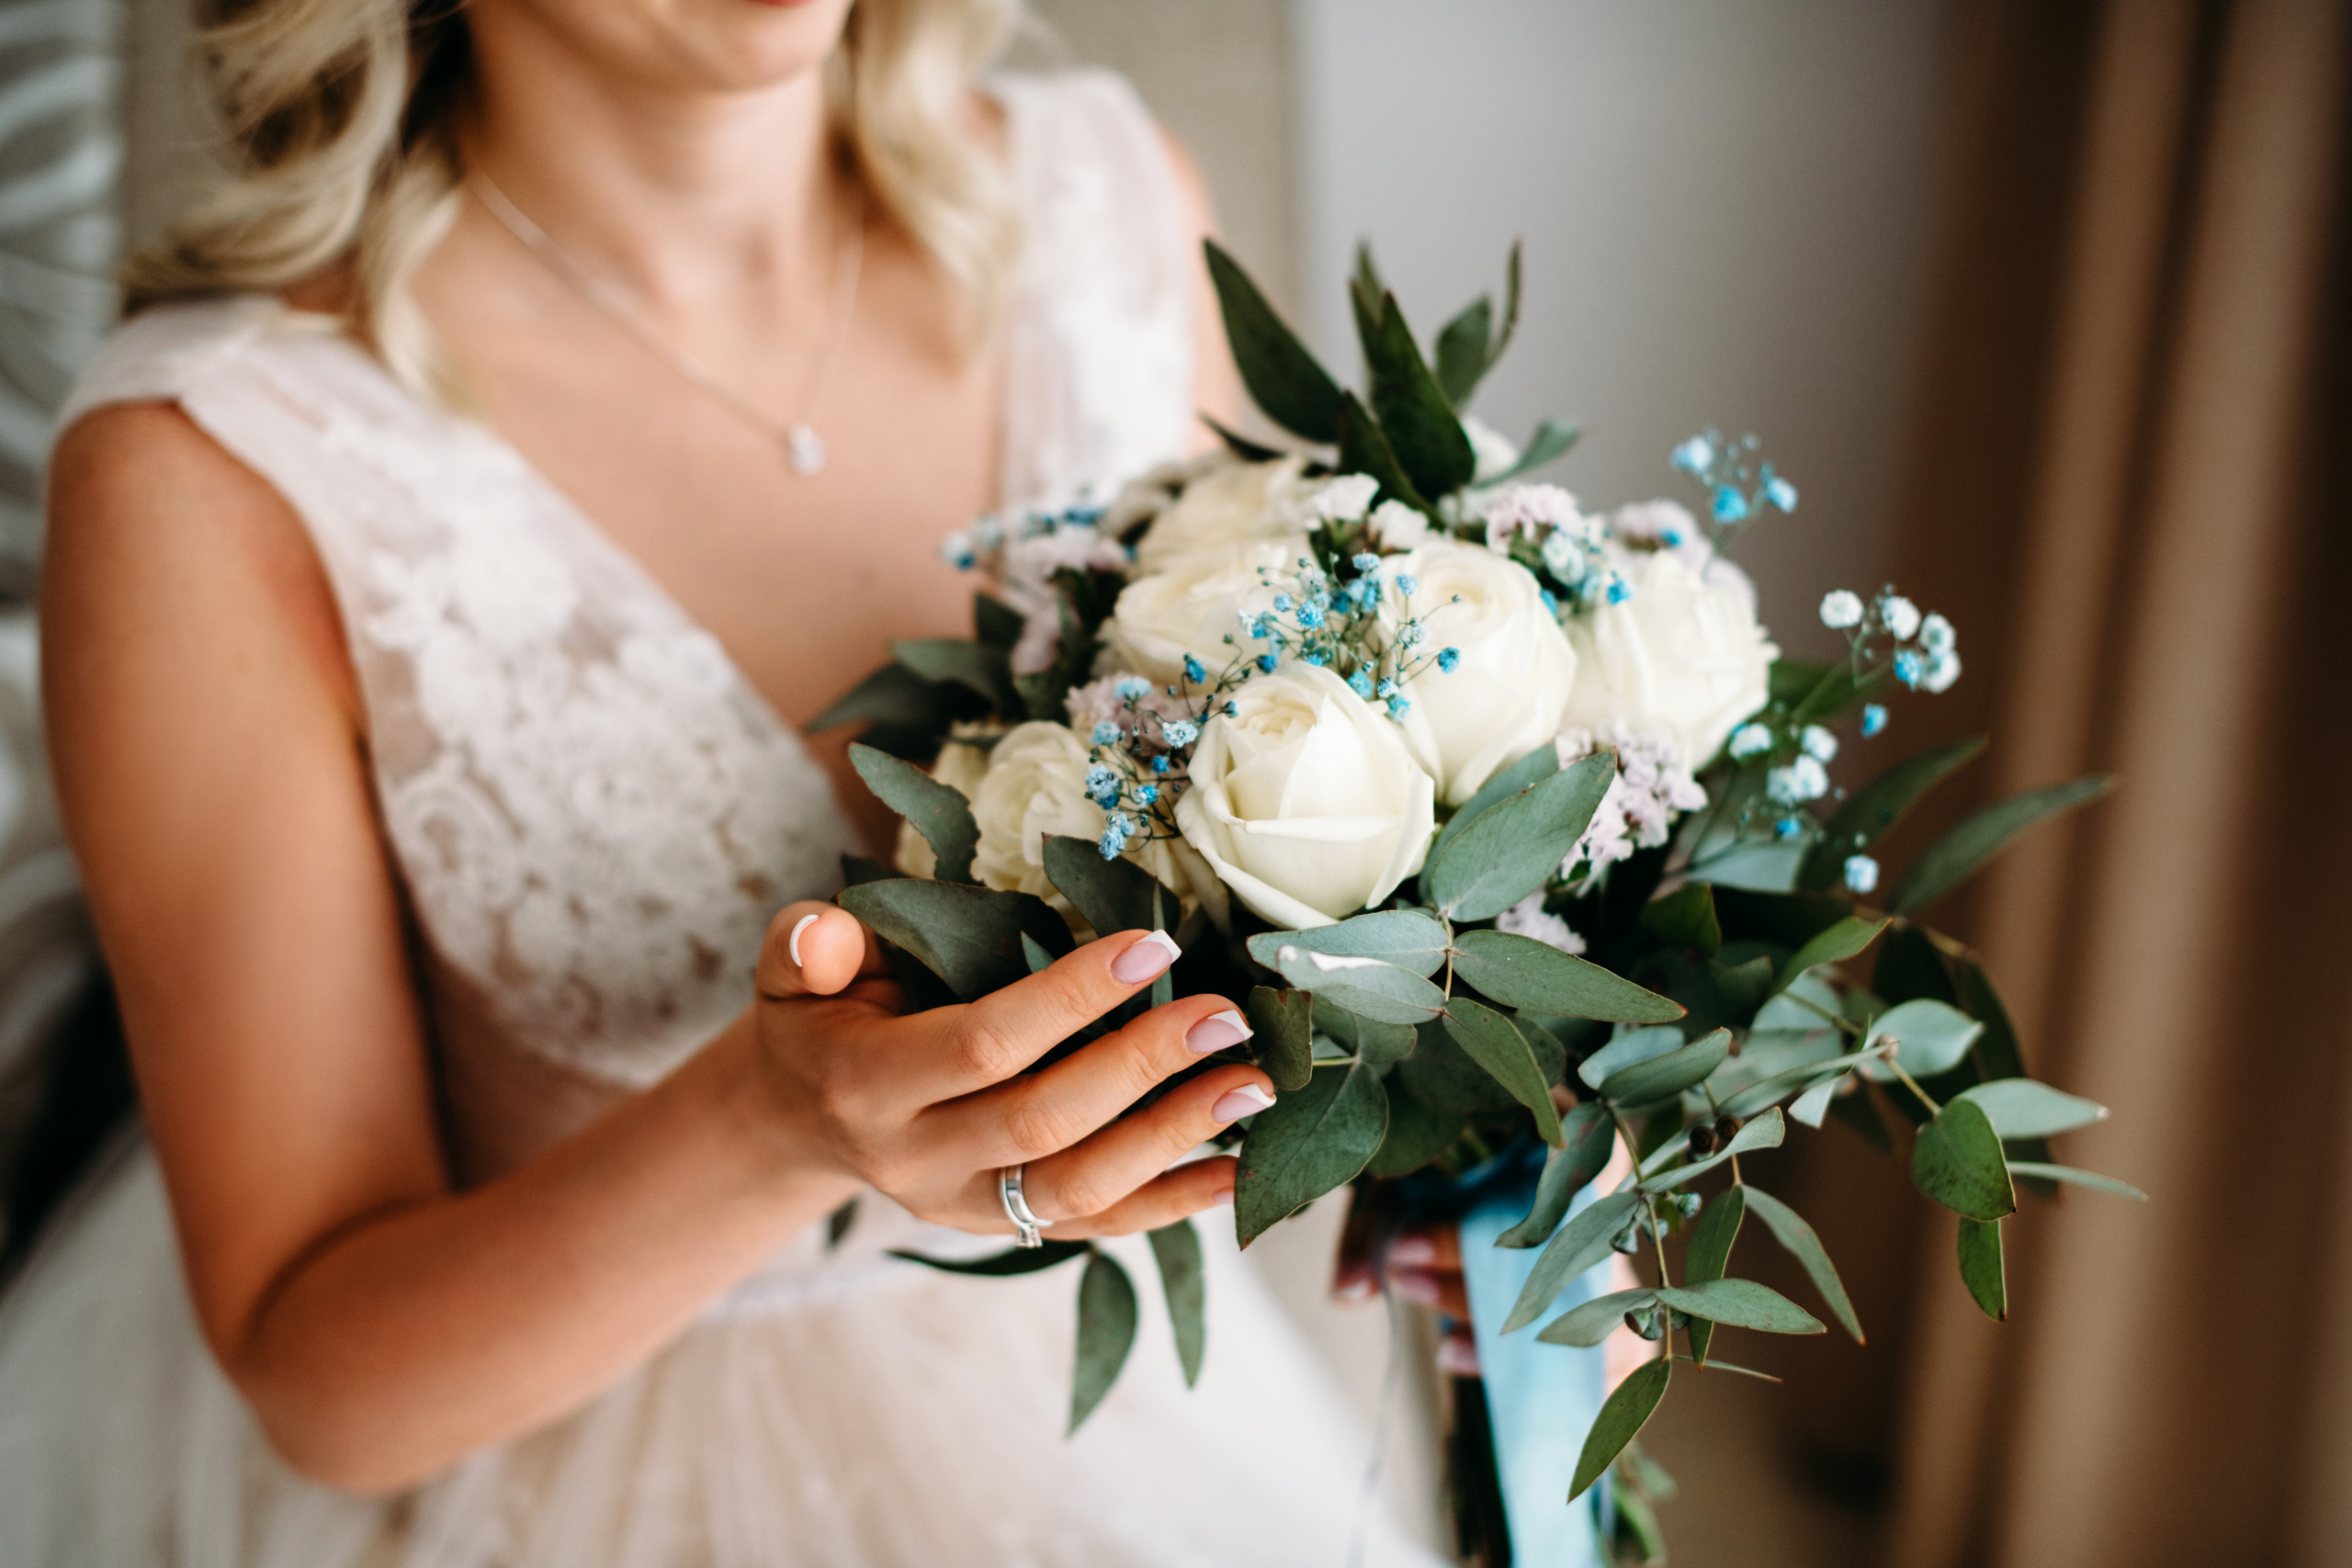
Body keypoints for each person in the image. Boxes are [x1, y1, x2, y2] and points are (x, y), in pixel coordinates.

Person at [0, 2, 1447, 1562]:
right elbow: (321, 1379)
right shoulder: (210, 465)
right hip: (546, 1476)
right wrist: (765, 1128)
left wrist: (1470, 1095)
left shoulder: (1112, 208)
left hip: (1151, 1421)